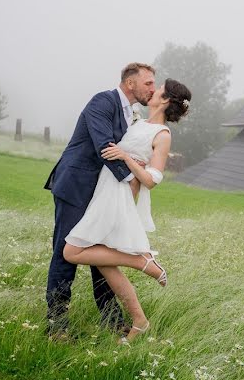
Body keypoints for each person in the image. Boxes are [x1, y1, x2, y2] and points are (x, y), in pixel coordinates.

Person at [63, 78, 191, 344]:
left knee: (72, 251)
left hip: (118, 197)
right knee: (103, 261)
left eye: (157, 89)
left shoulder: (162, 134)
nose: (152, 91)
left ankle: (140, 261)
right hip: (104, 190)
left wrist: (126, 158)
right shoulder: (139, 123)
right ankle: (140, 321)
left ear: (165, 99)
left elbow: (152, 180)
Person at [43, 63, 156, 340]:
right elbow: (105, 147)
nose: (153, 88)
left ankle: (112, 320)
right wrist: (132, 180)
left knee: (101, 254)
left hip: (100, 192)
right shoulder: (102, 101)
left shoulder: (132, 113)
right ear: (130, 84)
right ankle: (56, 325)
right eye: (149, 83)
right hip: (76, 185)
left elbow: (125, 149)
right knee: (65, 251)